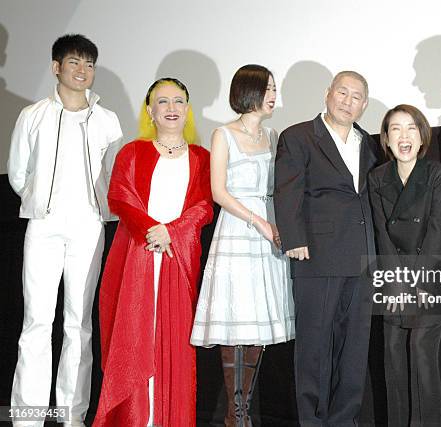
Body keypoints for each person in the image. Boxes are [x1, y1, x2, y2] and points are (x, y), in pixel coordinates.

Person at [7, 34, 122, 426]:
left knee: (79, 323)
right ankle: (27, 417)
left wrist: (96, 210)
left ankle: (72, 416)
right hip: (44, 225)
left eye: (89, 64)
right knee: (37, 321)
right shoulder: (33, 115)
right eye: (74, 62)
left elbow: (112, 177)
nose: (82, 71)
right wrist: (42, 203)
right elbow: (19, 173)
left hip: (89, 228)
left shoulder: (107, 121)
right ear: (56, 67)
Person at [94, 78, 214, 426]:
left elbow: (205, 205)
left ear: (188, 109)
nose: (172, 108)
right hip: (139, 253)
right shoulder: (132, 152)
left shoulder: (202, 158)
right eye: (163, 102)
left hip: (180, 256)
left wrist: (171, 232)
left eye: (179, 101)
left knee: (175, 342)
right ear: (150, 111)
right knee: (136, 334)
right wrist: (153, 230)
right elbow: (120, 196)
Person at [274, 70, 380, 426]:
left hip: (362, 258)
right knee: (316, 348)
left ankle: (344, 420)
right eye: (343, 92)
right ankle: (312, 420)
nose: (348, 101)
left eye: (356, 97)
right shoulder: (299, 136)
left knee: (353, 350)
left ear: (364, 105)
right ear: (327, 93)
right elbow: (287, 190)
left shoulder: (368, 143)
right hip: (317, 254)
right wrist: (294, 238)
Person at [190, 64, 294, 427]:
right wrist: (258, 222)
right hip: (238, 227)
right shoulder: (224, 134)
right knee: (236, 320)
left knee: (259, 321)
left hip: (269, 229)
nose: (273, 94)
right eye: (267, 88)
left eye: (274, 88)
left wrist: (276, 224)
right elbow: (219, 191)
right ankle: (236, 412)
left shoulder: (273, 134)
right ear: (247, 92)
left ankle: (242, 408)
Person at [369, 104, 441, 426]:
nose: (403, 136)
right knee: (392, 355)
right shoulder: (377, 177)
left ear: (422, 137)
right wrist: (395, 283)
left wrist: (418, 282)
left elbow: (440, 230)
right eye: (395, 129)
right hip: (394, 279)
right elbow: (382, 232)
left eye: (411, 128)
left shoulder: (438, 175)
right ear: (387, 139)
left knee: (422, 355)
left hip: (430, 277)